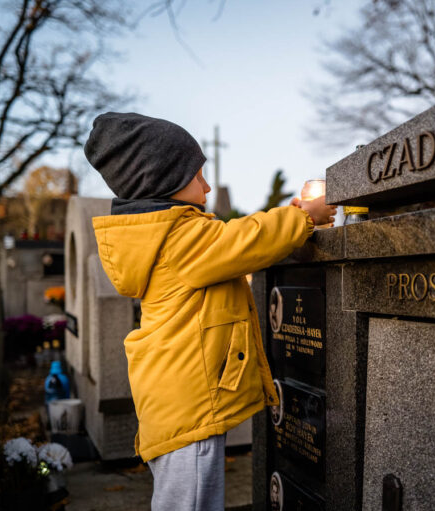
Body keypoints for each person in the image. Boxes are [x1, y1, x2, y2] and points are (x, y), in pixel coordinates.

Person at [84, 112, 336, 511]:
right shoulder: (178, 238)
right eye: (197, 176)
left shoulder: (165, 234)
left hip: (177, 399)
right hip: (189, 408)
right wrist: (305, 216)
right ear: (162, 180)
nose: (206, 186)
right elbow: (244, 240)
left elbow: (233, 242)